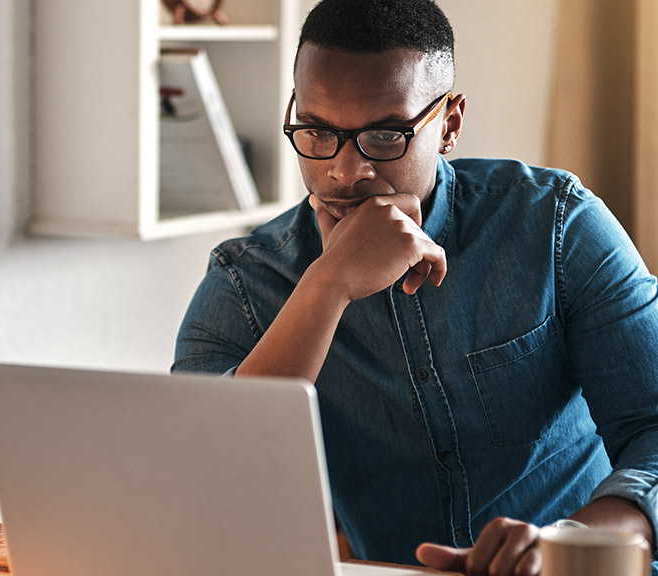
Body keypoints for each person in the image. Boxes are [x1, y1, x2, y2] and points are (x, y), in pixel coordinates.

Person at [172, 1, 658, 574]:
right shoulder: (246, 279)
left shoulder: (555, 224)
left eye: (384, 136)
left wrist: (570, 542)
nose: (345, 172)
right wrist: (326, 286)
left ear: (449, 123)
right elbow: (202, 475)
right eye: (317, 131)